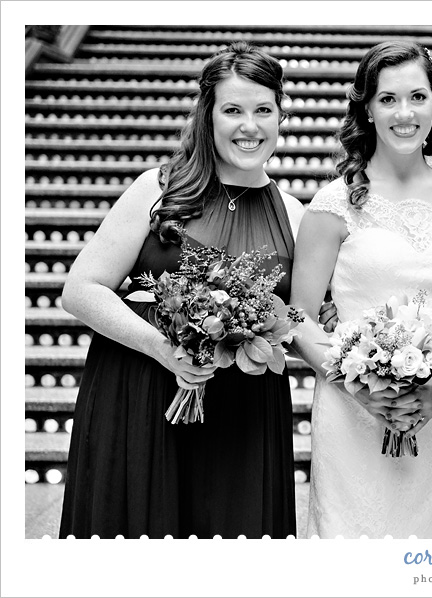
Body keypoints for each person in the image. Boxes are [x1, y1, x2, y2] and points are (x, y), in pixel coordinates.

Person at [59, 41, 304, 539]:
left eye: (263, 110)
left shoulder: (297, 216)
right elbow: (81, 289)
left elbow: (301, 321)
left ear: (281, 115)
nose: (249, 126)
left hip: (243, 413)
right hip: (140, 395)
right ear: (208, 114)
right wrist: (163, 348)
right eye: (232, 109)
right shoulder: (159, 188)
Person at [289, 41, 432, 539]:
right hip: (351, 412)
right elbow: (298, 317)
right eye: (388, 99)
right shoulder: (333, 205)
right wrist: (361, 387)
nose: (405, 113)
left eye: (418, 97)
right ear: (368, 108)